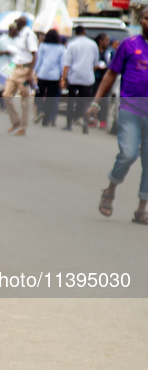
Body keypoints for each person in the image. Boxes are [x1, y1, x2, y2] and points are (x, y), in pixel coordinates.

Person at [90, 7, 148, 225]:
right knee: (128, 153)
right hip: (130, 110)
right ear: (140, 21)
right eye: (145, 19)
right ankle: (111, 190)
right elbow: (111, 74)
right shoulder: (129, 45)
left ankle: (142, 209)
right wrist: (96, 102)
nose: (147, 22)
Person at [3, 15, 39, 136]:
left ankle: (22, 128)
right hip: (16, 69)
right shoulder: (20, 35)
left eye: (16, 22)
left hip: (25, 71)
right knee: (6, 94)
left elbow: (35, 55)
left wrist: (30, 74)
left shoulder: (29, 35)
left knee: (25, 100)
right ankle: (16, 121)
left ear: (21, 23)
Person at [61, 25, 99, 134]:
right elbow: (95, 63)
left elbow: (67, 64)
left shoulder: (72, 44)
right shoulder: (93, 44)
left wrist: (63, 78)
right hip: (88, 78)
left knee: (71, 101)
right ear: (85, 32)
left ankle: (69, 124)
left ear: (76, 33)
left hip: (74, 77)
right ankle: (85, 123)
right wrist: (91, 72)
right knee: (86, 102)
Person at [33, 29, 65, 127]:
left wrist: (36, 72)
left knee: (39, 95)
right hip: (54, 76)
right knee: (51, 98)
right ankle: (46, 120)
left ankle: (40, 109)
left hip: (43, 74)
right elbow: (62, 64)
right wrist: (62, 76)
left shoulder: (43, 46)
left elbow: (39, 61)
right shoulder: (61, 48)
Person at [0, 23, 19, 111]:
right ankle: (2, 104)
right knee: (2, 86)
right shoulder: (3, 39)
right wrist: (5, 52)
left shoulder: (19, 40)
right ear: (11, 30)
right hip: (3, 66)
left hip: (13, 66)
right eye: (16, 29)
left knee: (12, 85)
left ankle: (8, 103)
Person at [93, 33, 111, 129]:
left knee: (105, 102)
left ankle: (102, 121)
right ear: (101, 41)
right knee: (94, 99)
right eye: (106, 40)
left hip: (105, 80)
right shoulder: (94, 50)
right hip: (95, 79)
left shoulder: (109, 52)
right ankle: (93, 119)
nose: (108, 42)